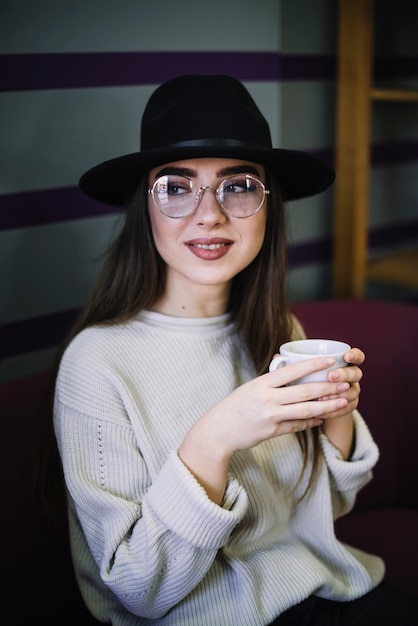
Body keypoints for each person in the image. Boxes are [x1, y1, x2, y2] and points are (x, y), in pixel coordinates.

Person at [52, 74, 418, 625]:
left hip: (325, 592)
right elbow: (136, 589)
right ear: (144, 208)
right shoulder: (97, 363)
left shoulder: (278, 330)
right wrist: (215, 438)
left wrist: (338, 416)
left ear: (267, 205)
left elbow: (321, 516)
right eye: (176, 187)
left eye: (238, 185)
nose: (210, 214)